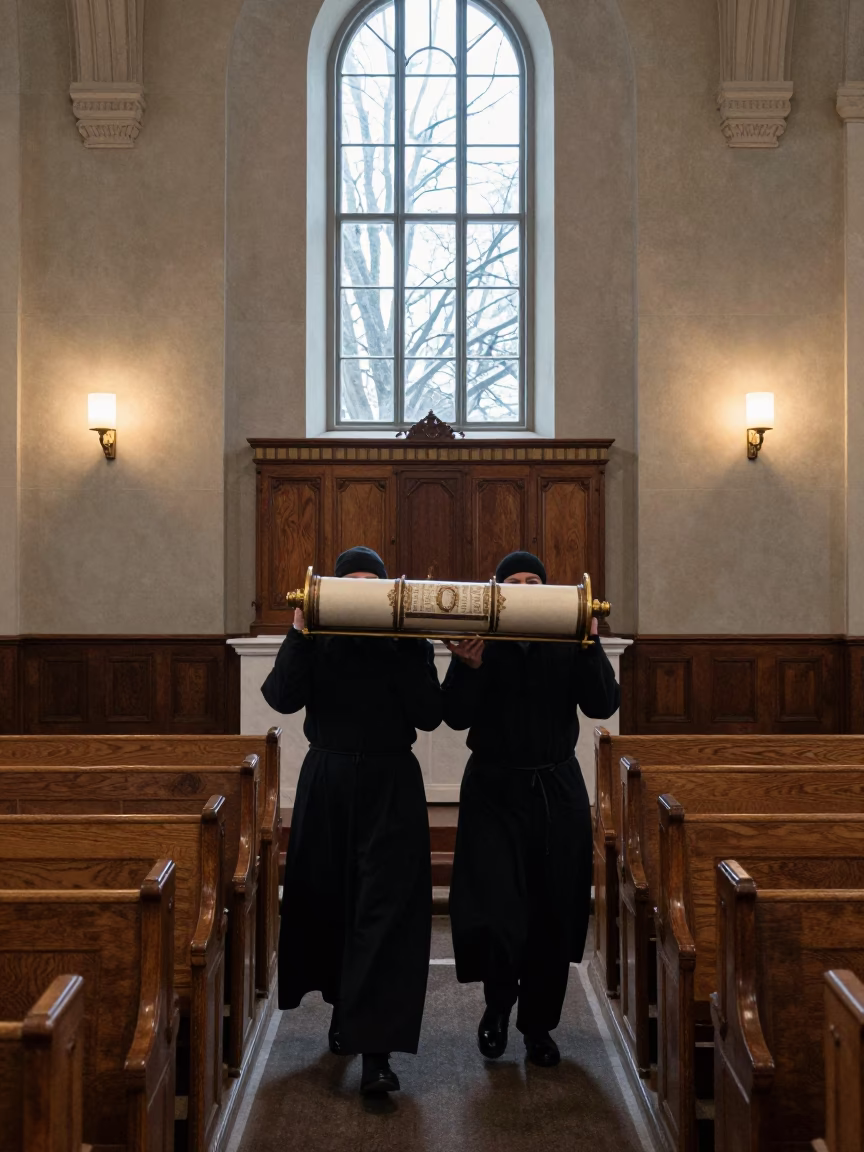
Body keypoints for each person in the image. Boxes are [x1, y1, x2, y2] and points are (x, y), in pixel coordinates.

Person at [261, 545, 442, 1095]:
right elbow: (281, 698)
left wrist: (407, 642)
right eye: (351, 583)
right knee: (331, 902)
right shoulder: (318, 636)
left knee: (384, 912)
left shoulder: (405, 639)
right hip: (329, 780)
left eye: (372, 582)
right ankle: (345, 1010)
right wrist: (299, 631)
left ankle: (376, 1054)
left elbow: (429, 714)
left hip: (392, 783)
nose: (362, 591)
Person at [442, 551, 620, 1067]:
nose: (524, 587)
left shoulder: (567, 635)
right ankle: (498, 1006)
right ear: (498, 591)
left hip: (556, 790)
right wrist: (468, 668)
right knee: (497, 909)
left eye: (533, 581)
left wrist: (588, 643)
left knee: (553, 911)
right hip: (493, 790)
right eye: (514, 582)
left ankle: (539, 1025)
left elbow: (603, 704)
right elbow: (453, 716)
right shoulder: (481, 637)